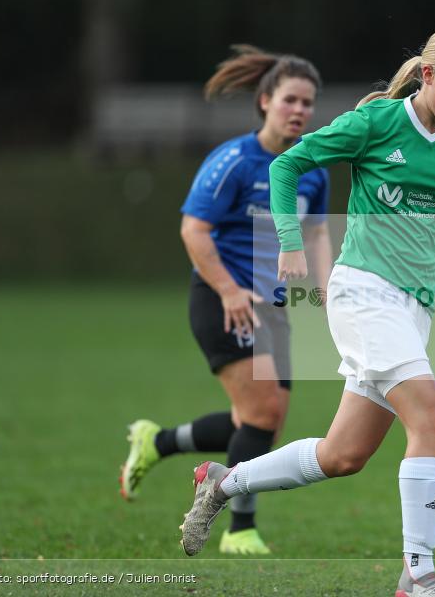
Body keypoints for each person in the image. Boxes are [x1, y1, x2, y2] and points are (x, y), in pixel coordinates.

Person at [177, 27, 435, 597]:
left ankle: (225, 481)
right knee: (434, 423)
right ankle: (417, 577)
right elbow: (286, 168)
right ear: (427, 75)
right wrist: (291, 241)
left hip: (414, 309)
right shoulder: (376, 123)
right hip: (363, 295)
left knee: (343, 454)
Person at [119, 45, 332, 555]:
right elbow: (194, 230)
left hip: (273, 307)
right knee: (260, 416)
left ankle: (160, 442)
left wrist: (326, 291)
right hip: (224, 300)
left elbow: (319, 232)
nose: (300, 110)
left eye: (307, 102)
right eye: (290, 101)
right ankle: (240, 529)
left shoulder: (314, 169)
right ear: (264, 102)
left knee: (263, 422)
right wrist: (230, 289)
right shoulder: (234, 160)